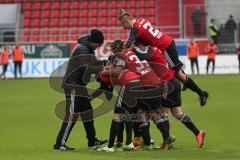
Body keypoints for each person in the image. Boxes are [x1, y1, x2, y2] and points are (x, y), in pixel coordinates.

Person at [117, 8, 209, 106]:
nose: (124, 28)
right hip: (168, 41)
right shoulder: (141, 20)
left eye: (123, 25)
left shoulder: (134, 29)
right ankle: (186, 82)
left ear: (127, 21)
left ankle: (201, 93)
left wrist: (120, 53)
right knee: (175, 69)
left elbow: (129, 44)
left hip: (165, 47)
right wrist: (124, 15)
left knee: (177, 73)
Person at [133, 39, 205, 149]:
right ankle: (197, 133)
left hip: (167, 84)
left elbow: (142, 55)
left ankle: (166, 141)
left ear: (142, 45)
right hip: (173, 81)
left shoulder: (151, 50)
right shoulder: (159, 50)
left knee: (161, 113)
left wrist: (130, 50)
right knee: (177, 113)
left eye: (138, 46)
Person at [53, 29, 108, 151]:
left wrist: (104, 62)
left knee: (87, 112)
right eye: (98, 45)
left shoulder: (86, 48)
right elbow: (86, 69)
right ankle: (59, 144)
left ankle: (92, 141)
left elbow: (92, 63)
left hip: (79, 86)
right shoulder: (83, 49)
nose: (97, 47)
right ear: (94, 42)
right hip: (73, 86)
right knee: (72, 116)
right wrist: (103, 68)